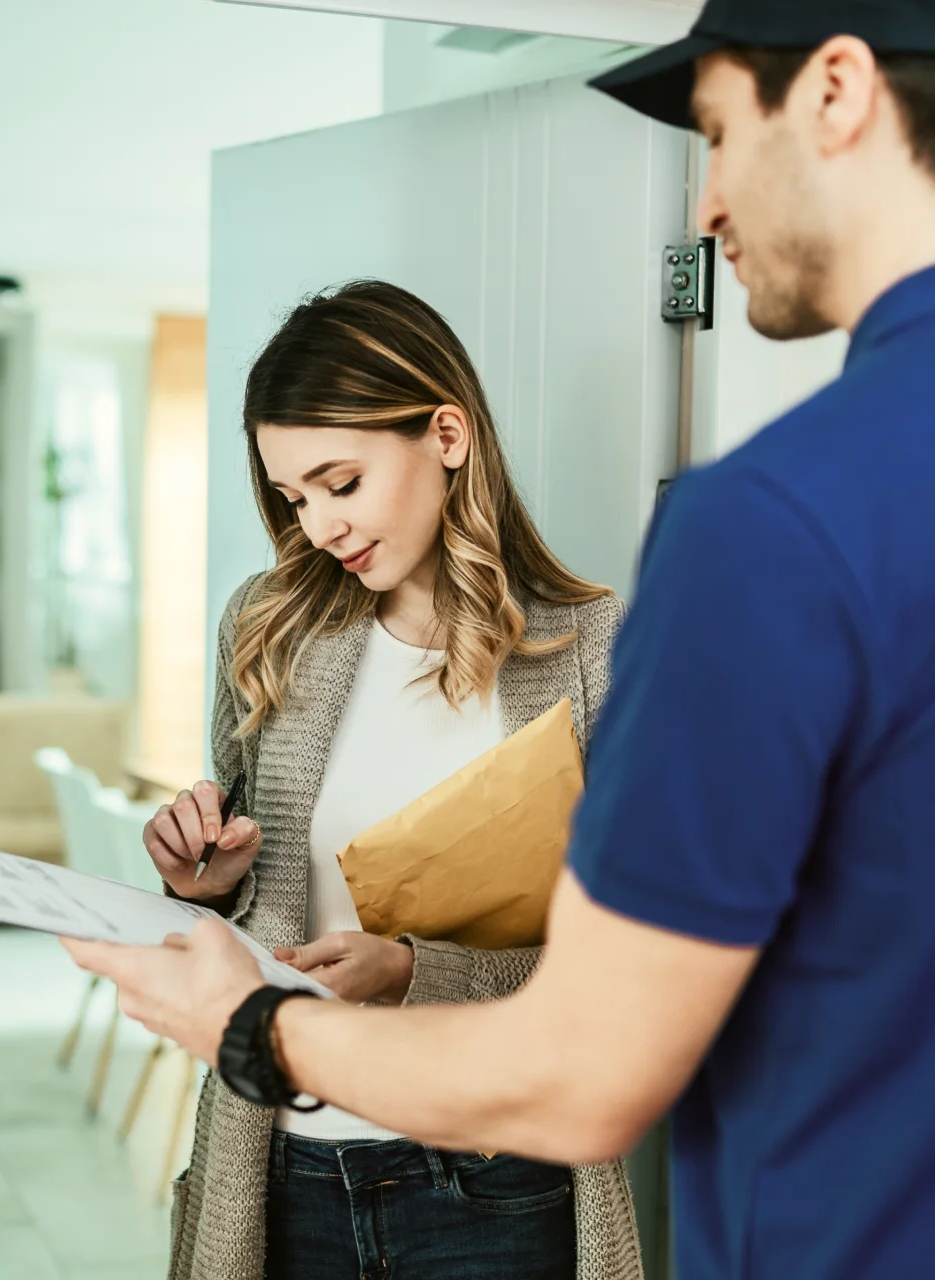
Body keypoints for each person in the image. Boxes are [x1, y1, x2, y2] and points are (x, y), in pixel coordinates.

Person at [69, 2, 935, 1277]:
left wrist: (248, 1028)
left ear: (837, 90)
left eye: (722, 131)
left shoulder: (769, 525)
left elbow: (585, 1074)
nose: (710, 197)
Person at [138, 279, 642, 1280]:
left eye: (341, 482)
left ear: (446, 434)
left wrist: (417, 972)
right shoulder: (268, 624)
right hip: (283, 1168)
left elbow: (622, 974)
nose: (319, 524)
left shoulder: (592, 650)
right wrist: (204, 880)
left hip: (496, 1181)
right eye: (294, 497)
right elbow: (258, 898)